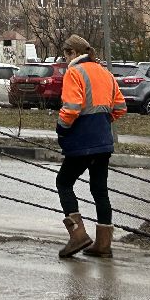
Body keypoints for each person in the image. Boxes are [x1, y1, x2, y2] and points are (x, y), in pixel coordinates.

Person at [54, 34, 125, 259]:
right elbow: (121, 107)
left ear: (73, 53)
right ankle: (103, 245)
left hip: (81, 142)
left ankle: (78, 236)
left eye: (66, 55)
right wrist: (103, 123)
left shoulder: (74, 73)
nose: (65, 60)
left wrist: (62, 128)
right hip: (103, 141)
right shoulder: (105, 73)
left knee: (64, 182)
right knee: (100, 191)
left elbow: (72, 108)